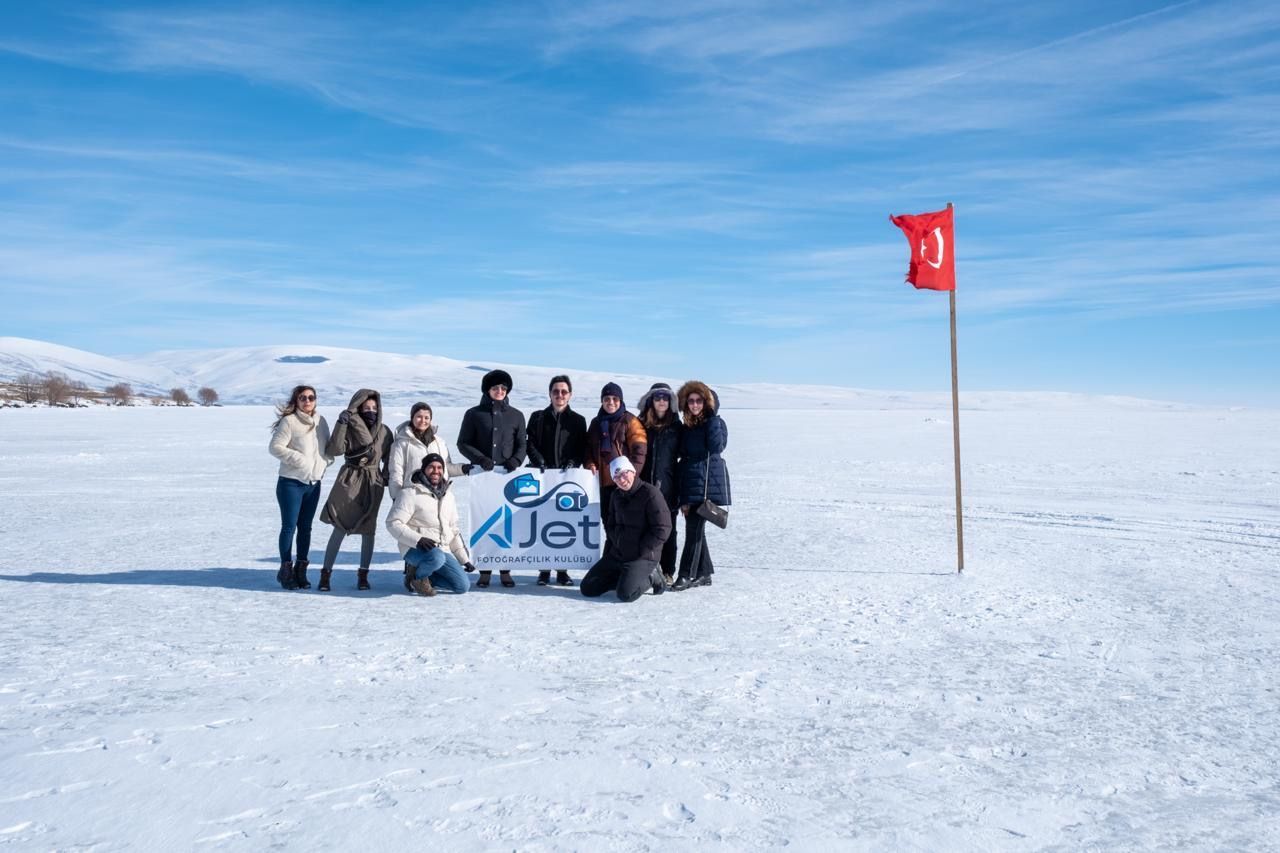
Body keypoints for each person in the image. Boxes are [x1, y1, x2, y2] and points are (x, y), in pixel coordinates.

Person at [456, 369, 527, 588]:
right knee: (484, 522)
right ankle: (485, 570)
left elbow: (522, 444)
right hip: (483, 477)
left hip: (507, 477)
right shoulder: (473, 414)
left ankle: (505, 569)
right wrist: (480, 458)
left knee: (507, 522)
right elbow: (463, 442)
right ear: (488, 390)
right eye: (496, 388)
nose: (500, 391)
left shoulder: (516, 415)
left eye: (503, 388)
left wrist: (516, 460)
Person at [318, 389, 393, 591]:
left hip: (373, 483)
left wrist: (386, 478)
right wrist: (342, 423)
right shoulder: (349, 426)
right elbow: (334, 450)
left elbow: (390, 458)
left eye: (374, 408)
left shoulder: (385, 431)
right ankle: (325, 574)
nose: (371, 411)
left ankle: (363, 575)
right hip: (350, 480)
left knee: (369, 530)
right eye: (366, 408)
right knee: (341, 526)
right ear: (357, 408)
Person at [525, 374, 587, 587]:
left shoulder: (578, 421)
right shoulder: (537, 417)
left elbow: (582, 449)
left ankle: (562, 570)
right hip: (542, 479)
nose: (559, 395)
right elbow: (529, 443)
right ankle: (544, 570)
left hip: (566, 481)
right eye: (555, 391)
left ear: (570, 395)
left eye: (563, 391)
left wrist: (573, 462)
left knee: (563, 526)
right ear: (550, 394)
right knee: (542, 525)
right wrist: (538, 460)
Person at [268, 385, 333, 590]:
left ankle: (301, 570)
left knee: (305, 528)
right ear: (296, 401)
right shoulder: (290, 421)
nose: (307, 401)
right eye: (302, 398)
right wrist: (299, 459)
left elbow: (327, 447)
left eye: (311, 397)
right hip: (291, 482)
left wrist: (324, 462)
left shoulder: (321, 421)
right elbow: (275, 447)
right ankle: (286, 570)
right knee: (289, 526)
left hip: (313, 483)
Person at [580, 456, 670, 602]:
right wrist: (612, 549)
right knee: (588, 588)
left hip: (642, 556)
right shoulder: (616, 495)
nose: (621, 480)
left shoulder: (650, 493)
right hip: (619, 554)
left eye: (624, 474)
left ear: (633, 472)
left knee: (626, 594)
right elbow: (611, 526)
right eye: (616, 477)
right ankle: (624, 578)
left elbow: (663, 528)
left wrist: (642, 550)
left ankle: (651, 576)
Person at [386, 453, 477, 596]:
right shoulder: (409, 493)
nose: (436, 471)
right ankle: (417, 578)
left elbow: (452, 529)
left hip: (441, 549)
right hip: (414, 549)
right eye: (431, 467)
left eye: (439, 467)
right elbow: (393, 523)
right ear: (423, 469)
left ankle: (421, 576)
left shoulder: (449, 497)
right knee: (436, 557)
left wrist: (464, 560)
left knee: (462, 586)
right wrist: (418, 540)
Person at [673, 380, 730, 591]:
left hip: (706, 483)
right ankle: (704, 573)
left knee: (693, 530)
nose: (694, 405)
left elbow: (717, 447)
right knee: (697, 529)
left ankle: (686, 575)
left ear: (707, 403)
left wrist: (713, 418)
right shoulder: (688, 426)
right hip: (689, 481)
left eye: (699, 401)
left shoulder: (715, 423)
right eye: (691, 401)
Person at [584, 381, 647, 533]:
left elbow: (640, 451)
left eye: (615, 399)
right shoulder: (596, 423)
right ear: (602, 401)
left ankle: (627, 556)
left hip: (624, 483)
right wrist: (589, 464)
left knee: (626, 524)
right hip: (603, 483)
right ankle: (613, 554)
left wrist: (631, 476)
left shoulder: (630, 421)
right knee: (609, 523)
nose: (610, 402)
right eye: (606, 399)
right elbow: (587, 449)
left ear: (621, 401)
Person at [637, 382, 683, 585]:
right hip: (644, 486)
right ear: (650, 400)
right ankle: (645, 569)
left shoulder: (677, 426)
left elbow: (685, 456)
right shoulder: (640, 424)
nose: (661, 401)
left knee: (669, 530)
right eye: (657, 397)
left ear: (671, 401)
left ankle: (667, 570)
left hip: (669, 486)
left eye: (665, 397)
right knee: (644, 528)